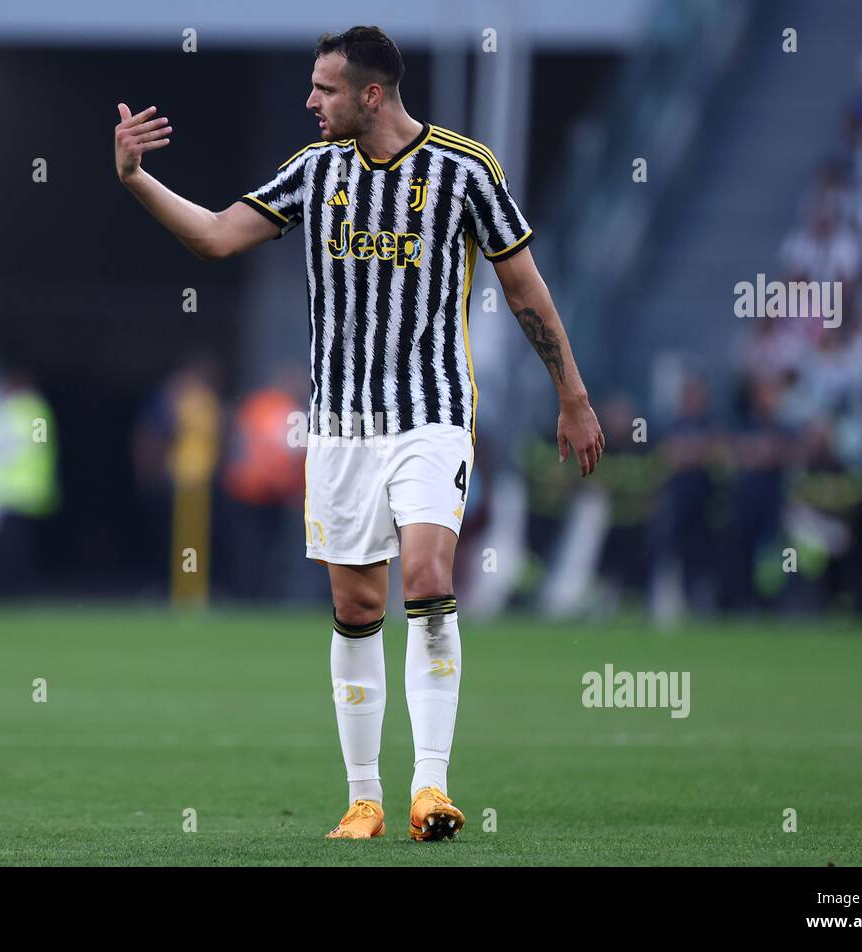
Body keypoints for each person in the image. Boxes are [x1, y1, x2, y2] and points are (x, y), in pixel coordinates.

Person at [114, 25, 603, 841]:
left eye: (325, 89)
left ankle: (433, 789)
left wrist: (574, 396)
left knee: (426, 573)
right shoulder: (314, 172)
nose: (310, 101)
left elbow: (525, 289)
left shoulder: (464, 169)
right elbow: (213, 236)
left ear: (370, 93)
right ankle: (364, 799)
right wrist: (135, 178)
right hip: (339, 425)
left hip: (431, 412)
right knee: (356, 602)